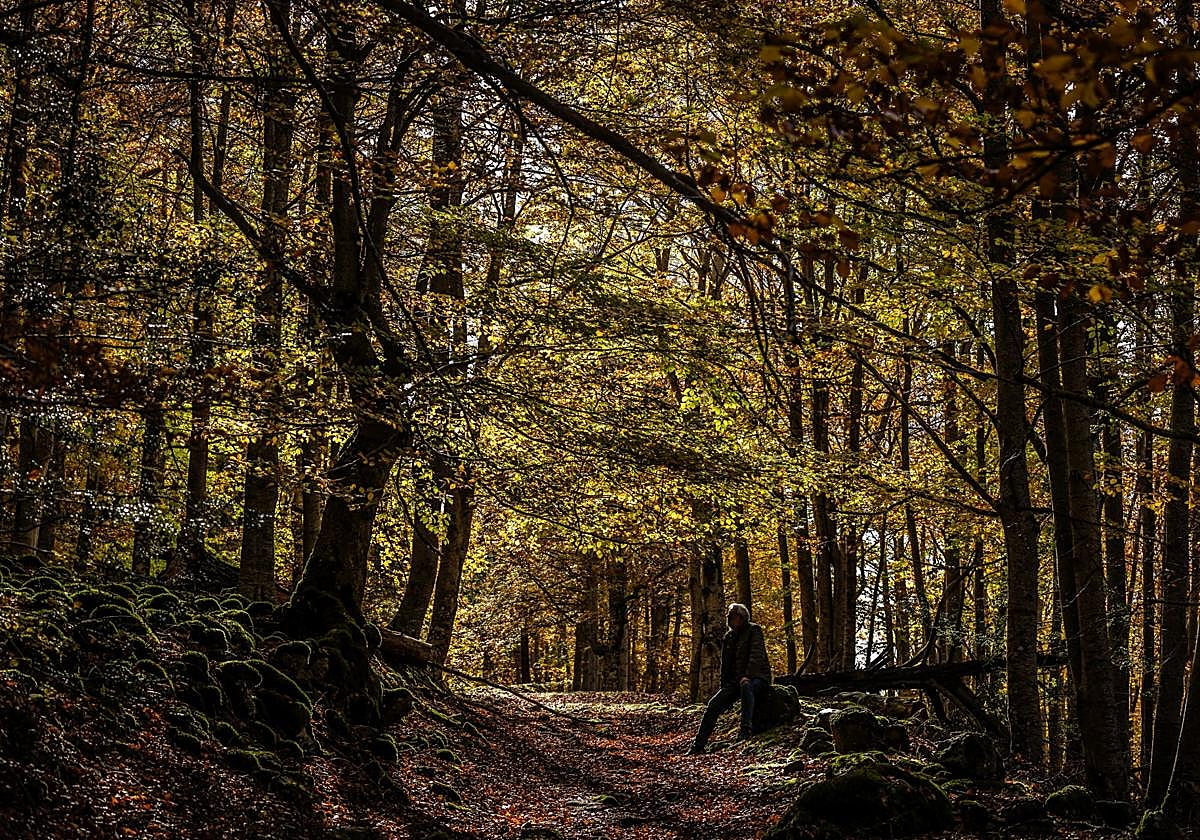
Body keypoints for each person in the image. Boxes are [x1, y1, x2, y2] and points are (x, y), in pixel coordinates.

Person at [687, 602, 771, 755]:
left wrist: (747, 675)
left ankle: (745, 731)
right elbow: (726, 665)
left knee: (747, 686)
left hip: (758, 677)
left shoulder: (754, 630)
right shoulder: (729, 637)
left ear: (741, 617)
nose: (731, 621)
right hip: (736, 682)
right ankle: (698, 746)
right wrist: (724, 686)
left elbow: (756, 655)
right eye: (729, 618)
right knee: (713, 705)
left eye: (733, 617)